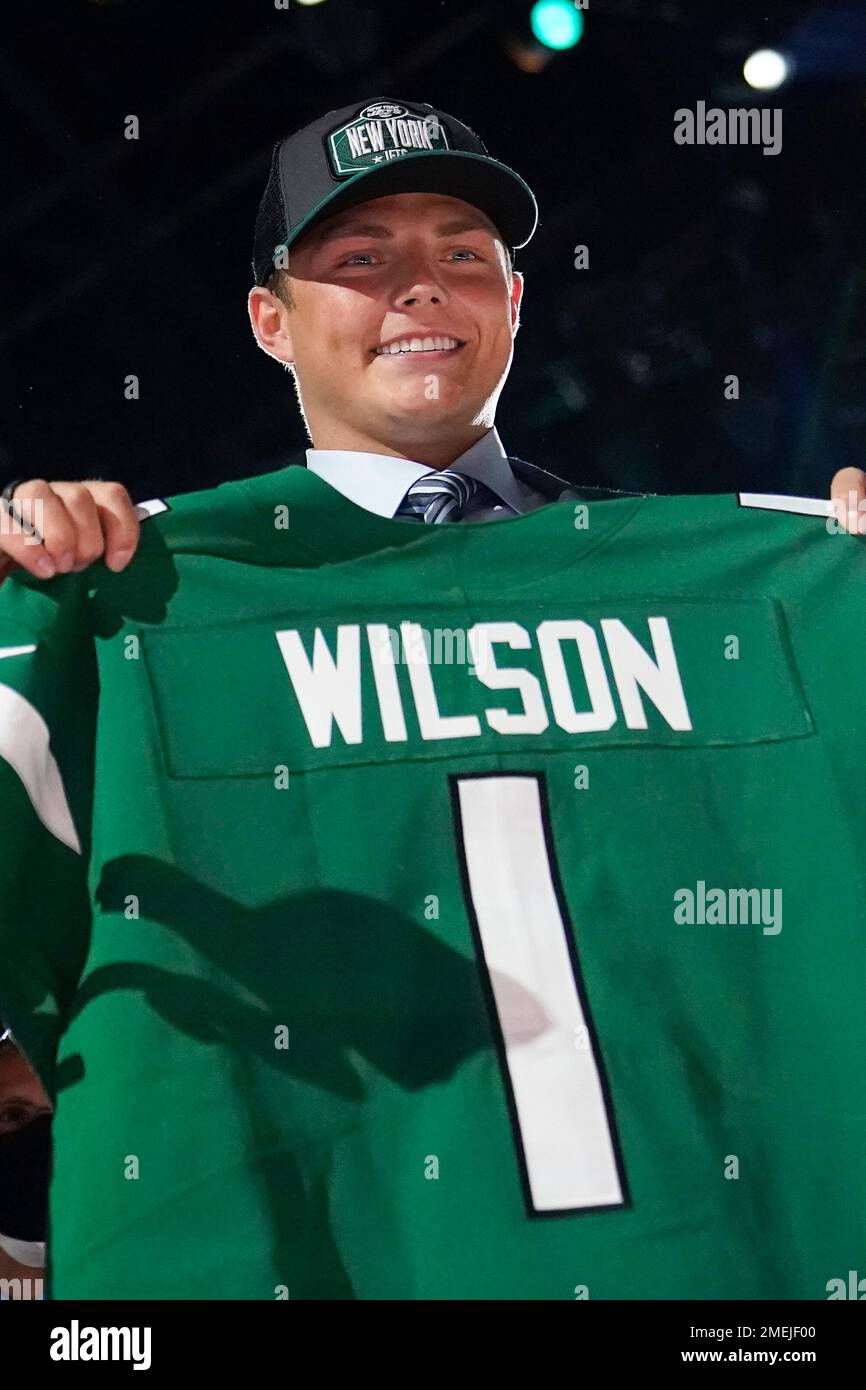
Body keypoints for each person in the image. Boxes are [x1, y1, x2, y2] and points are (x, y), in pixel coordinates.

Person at [1, 98, 865, 1301]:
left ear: (514, 301)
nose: (421, 287)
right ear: (270, 321)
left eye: (463, 255)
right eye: (360, 259)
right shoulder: (123, 597)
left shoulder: (766, 589)